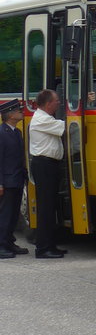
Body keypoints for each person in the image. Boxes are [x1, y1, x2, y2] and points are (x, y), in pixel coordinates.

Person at [28, 89, 67, 258]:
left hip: (49, 165)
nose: (58, 103)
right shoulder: (41, 119)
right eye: (57, 100)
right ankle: (43, 248)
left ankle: (50, 244)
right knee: (46, 208)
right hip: (44, 165)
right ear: (48, 103)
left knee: (51, 206)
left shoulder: (46, 118)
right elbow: (66, 126)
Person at [0, 100, 29, 258]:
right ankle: (1, 245)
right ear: (10, 114)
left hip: (17, 179)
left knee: (13, 215)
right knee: (4, 214)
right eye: (18, 110)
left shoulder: (16, 132)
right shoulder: (1, 133)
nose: (21, 112)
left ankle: (9, 242)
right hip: (6, 180)